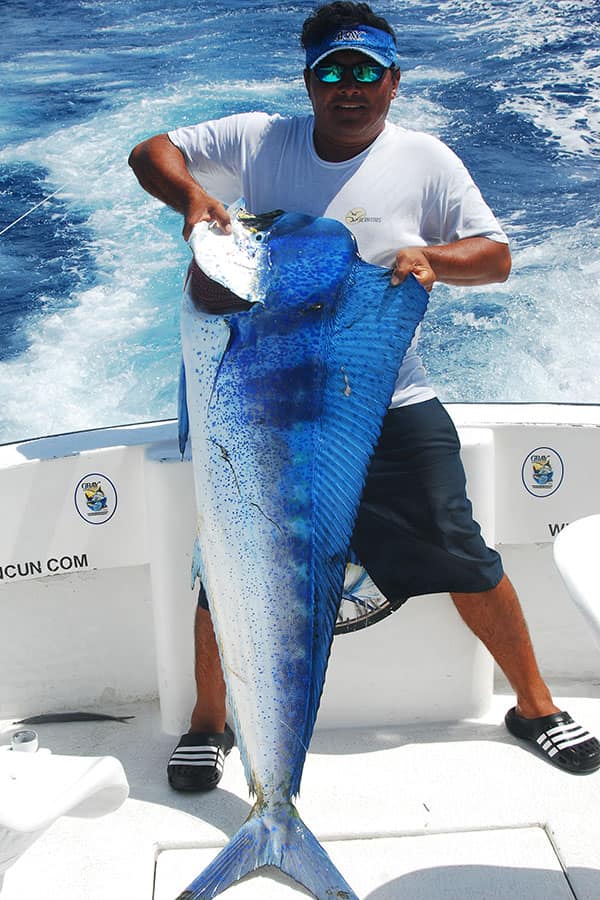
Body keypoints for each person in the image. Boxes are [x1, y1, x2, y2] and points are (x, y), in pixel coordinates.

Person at [129, 1, 600, 789]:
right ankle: (211, 724)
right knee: (232, 565)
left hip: (387, 399)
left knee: (460, 547)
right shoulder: (257, 139)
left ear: (394, 80)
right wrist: (192, 201)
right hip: (268, 412)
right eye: (332, 72)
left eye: (367, 71)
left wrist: (435, 261)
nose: (350, 87)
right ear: (308, 81)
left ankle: (534, 703)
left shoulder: (427, 160)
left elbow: (497, 257)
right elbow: (150, 154)